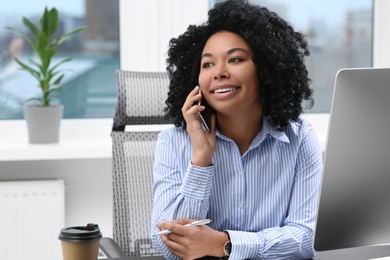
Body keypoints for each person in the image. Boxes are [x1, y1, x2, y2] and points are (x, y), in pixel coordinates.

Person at [151, 0, 323, 259]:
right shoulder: (172, 142)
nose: (219, 73)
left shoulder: (300, 139)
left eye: (235, 59)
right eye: (207, 64)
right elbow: (168, 246)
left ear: (265, 68)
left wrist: (225, 244)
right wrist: (201, 159)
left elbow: (306, 239)